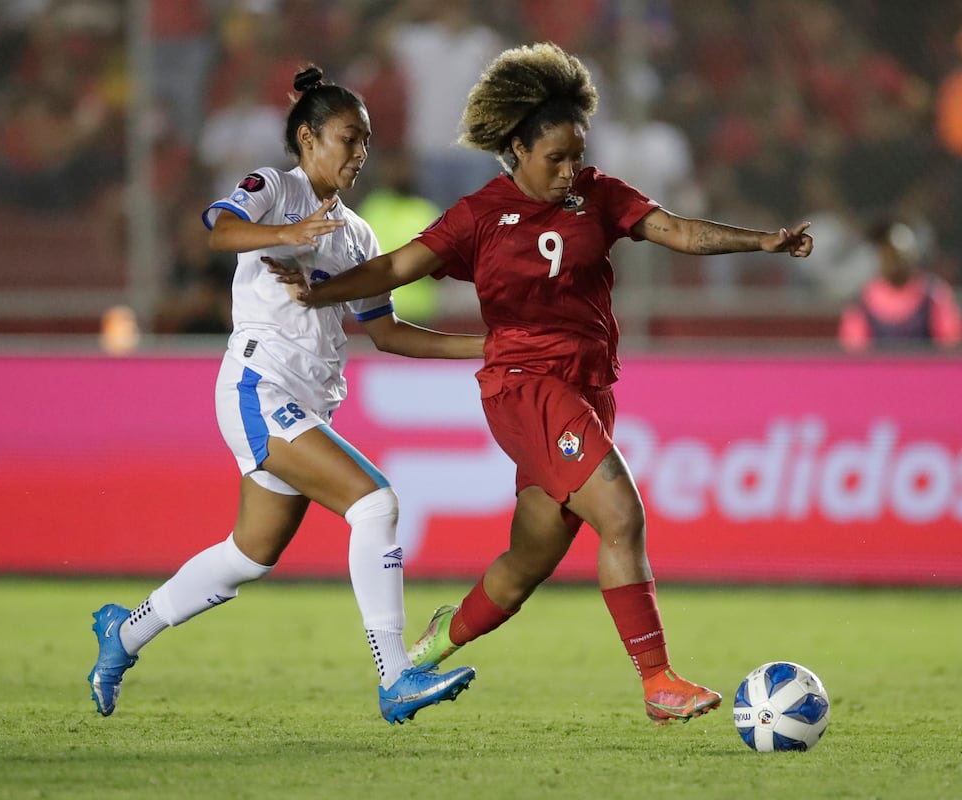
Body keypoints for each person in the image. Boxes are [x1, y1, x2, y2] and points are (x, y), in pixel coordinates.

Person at [269, 43, 814, 725]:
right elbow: (393, 269)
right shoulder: (478, 216)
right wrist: (322, 292)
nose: (568, 171)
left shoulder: (601, 195)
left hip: (588, 388)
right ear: (517, 149)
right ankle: (657, 681)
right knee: (621, 515)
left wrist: (762, 241)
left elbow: (677, 230)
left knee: (528, 562)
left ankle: (438, 637)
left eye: (576, 155)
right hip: (524, 388)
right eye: (554, 157)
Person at [87, 66, 481, 725]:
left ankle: (122, 634)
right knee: (375, 503)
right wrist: (284, 235)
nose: (360, 154)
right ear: (307, 138)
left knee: (249, 554)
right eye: (348, 139)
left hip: (307, 401)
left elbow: (384, 333)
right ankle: (397, 677)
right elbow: (219, 230)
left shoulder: (357, 234)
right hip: (257, 386)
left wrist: (487, 348)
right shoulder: (275, 189)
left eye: (367, 141)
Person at [838, 218, 962, 352]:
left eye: (896, 254)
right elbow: (854, 349)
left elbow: (951, 345)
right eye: (886, 254)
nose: (892, 261)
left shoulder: (933, 293)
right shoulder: (863, 300)